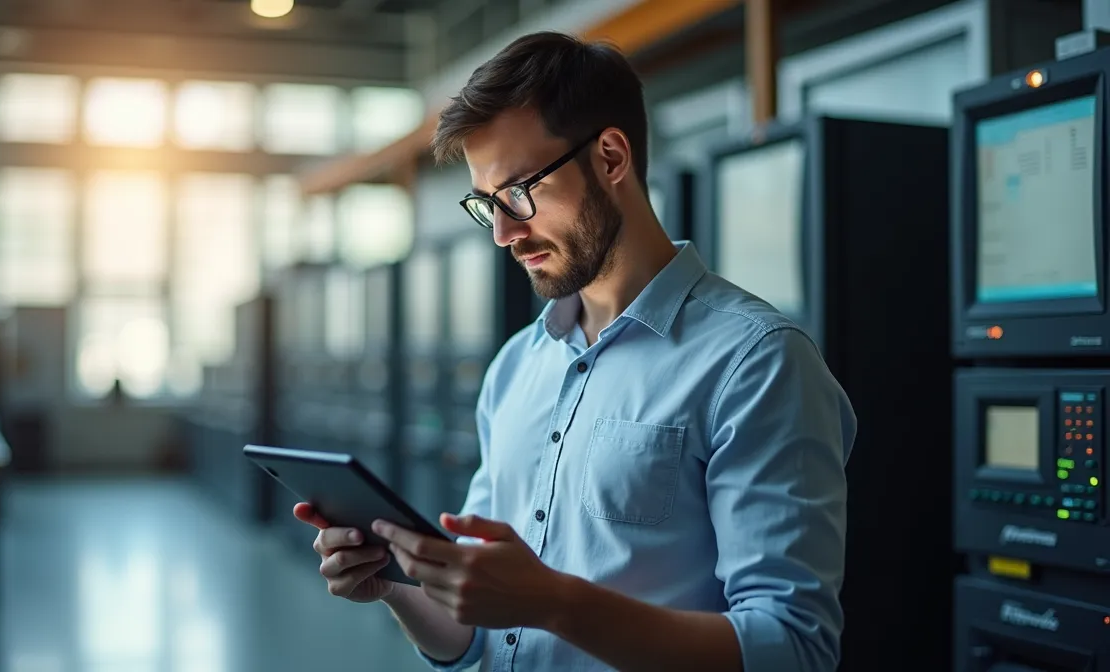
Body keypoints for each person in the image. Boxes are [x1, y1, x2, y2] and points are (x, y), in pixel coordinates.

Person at [294, 31, 857, 672]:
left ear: (611, 157)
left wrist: (555, 604)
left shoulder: (756, 363)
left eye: (519, 193)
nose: (504, 232)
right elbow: (477, 633)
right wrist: (396, 589)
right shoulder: (515, 368)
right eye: (487, 204)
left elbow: (791, 647)